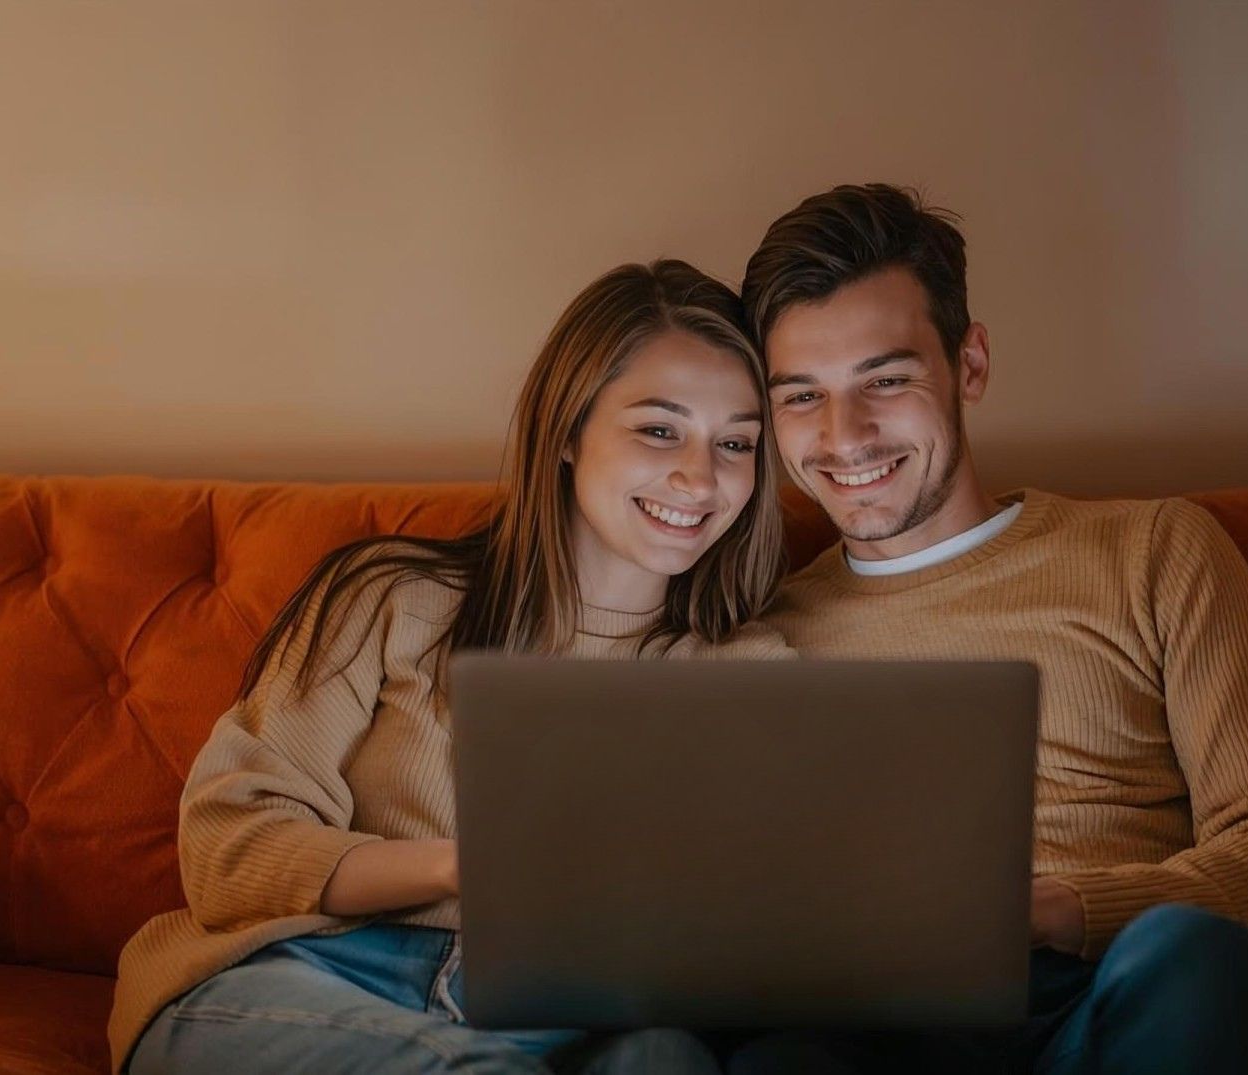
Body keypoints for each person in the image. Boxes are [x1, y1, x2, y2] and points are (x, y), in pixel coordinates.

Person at [727, 184, 1248, 1074]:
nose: (845, 436)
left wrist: (1055, 908)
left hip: (1124, 994)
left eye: (886, 379)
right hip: (891, 1028)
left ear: (970, 364)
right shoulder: (762, 634)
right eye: (801, 396)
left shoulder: (1153, 550)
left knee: (1194, 964)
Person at [108, 259, 791, 1075]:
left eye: (737, 443)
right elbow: (227, 847)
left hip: (559, 1014)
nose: (701, 475)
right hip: (309, 974)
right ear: (568, 430)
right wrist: (462, 865)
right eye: (658, 428)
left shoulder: (749, 673)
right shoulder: (391, 594)